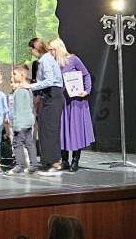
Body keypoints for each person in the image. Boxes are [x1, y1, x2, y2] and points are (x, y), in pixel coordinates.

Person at [51, 38, 94, 172]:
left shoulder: (73, 60)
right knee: (62, 130)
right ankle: (64, 160)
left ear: (58, 49)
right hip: (62, 101)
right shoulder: (53, 64)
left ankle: (75, 161)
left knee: (76, 130)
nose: (50, 52)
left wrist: (86, 91)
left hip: (75, 102)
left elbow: (86, 74)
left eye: (52, 49)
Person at [25, 37, 64, 175]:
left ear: (36, 49)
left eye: (31, 50)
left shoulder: (46, 60)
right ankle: (48, 162)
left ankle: (55, 163)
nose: (31, 52)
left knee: (50, 130)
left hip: (53, 95)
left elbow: (49, 80)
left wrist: (30, 86)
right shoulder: (44, 60)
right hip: (48, 96)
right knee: (45, 129)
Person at [6, 66, 37, 175]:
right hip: (28, 121)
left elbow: (18, 109)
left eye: (14, 74)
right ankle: (33, 164)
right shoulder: (28, 89)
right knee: (29, 143)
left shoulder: (19, 91)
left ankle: (20, 165)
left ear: (22, 75)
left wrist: (15, 124)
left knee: (17, 143)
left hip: (21, 122)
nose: (13, 76)